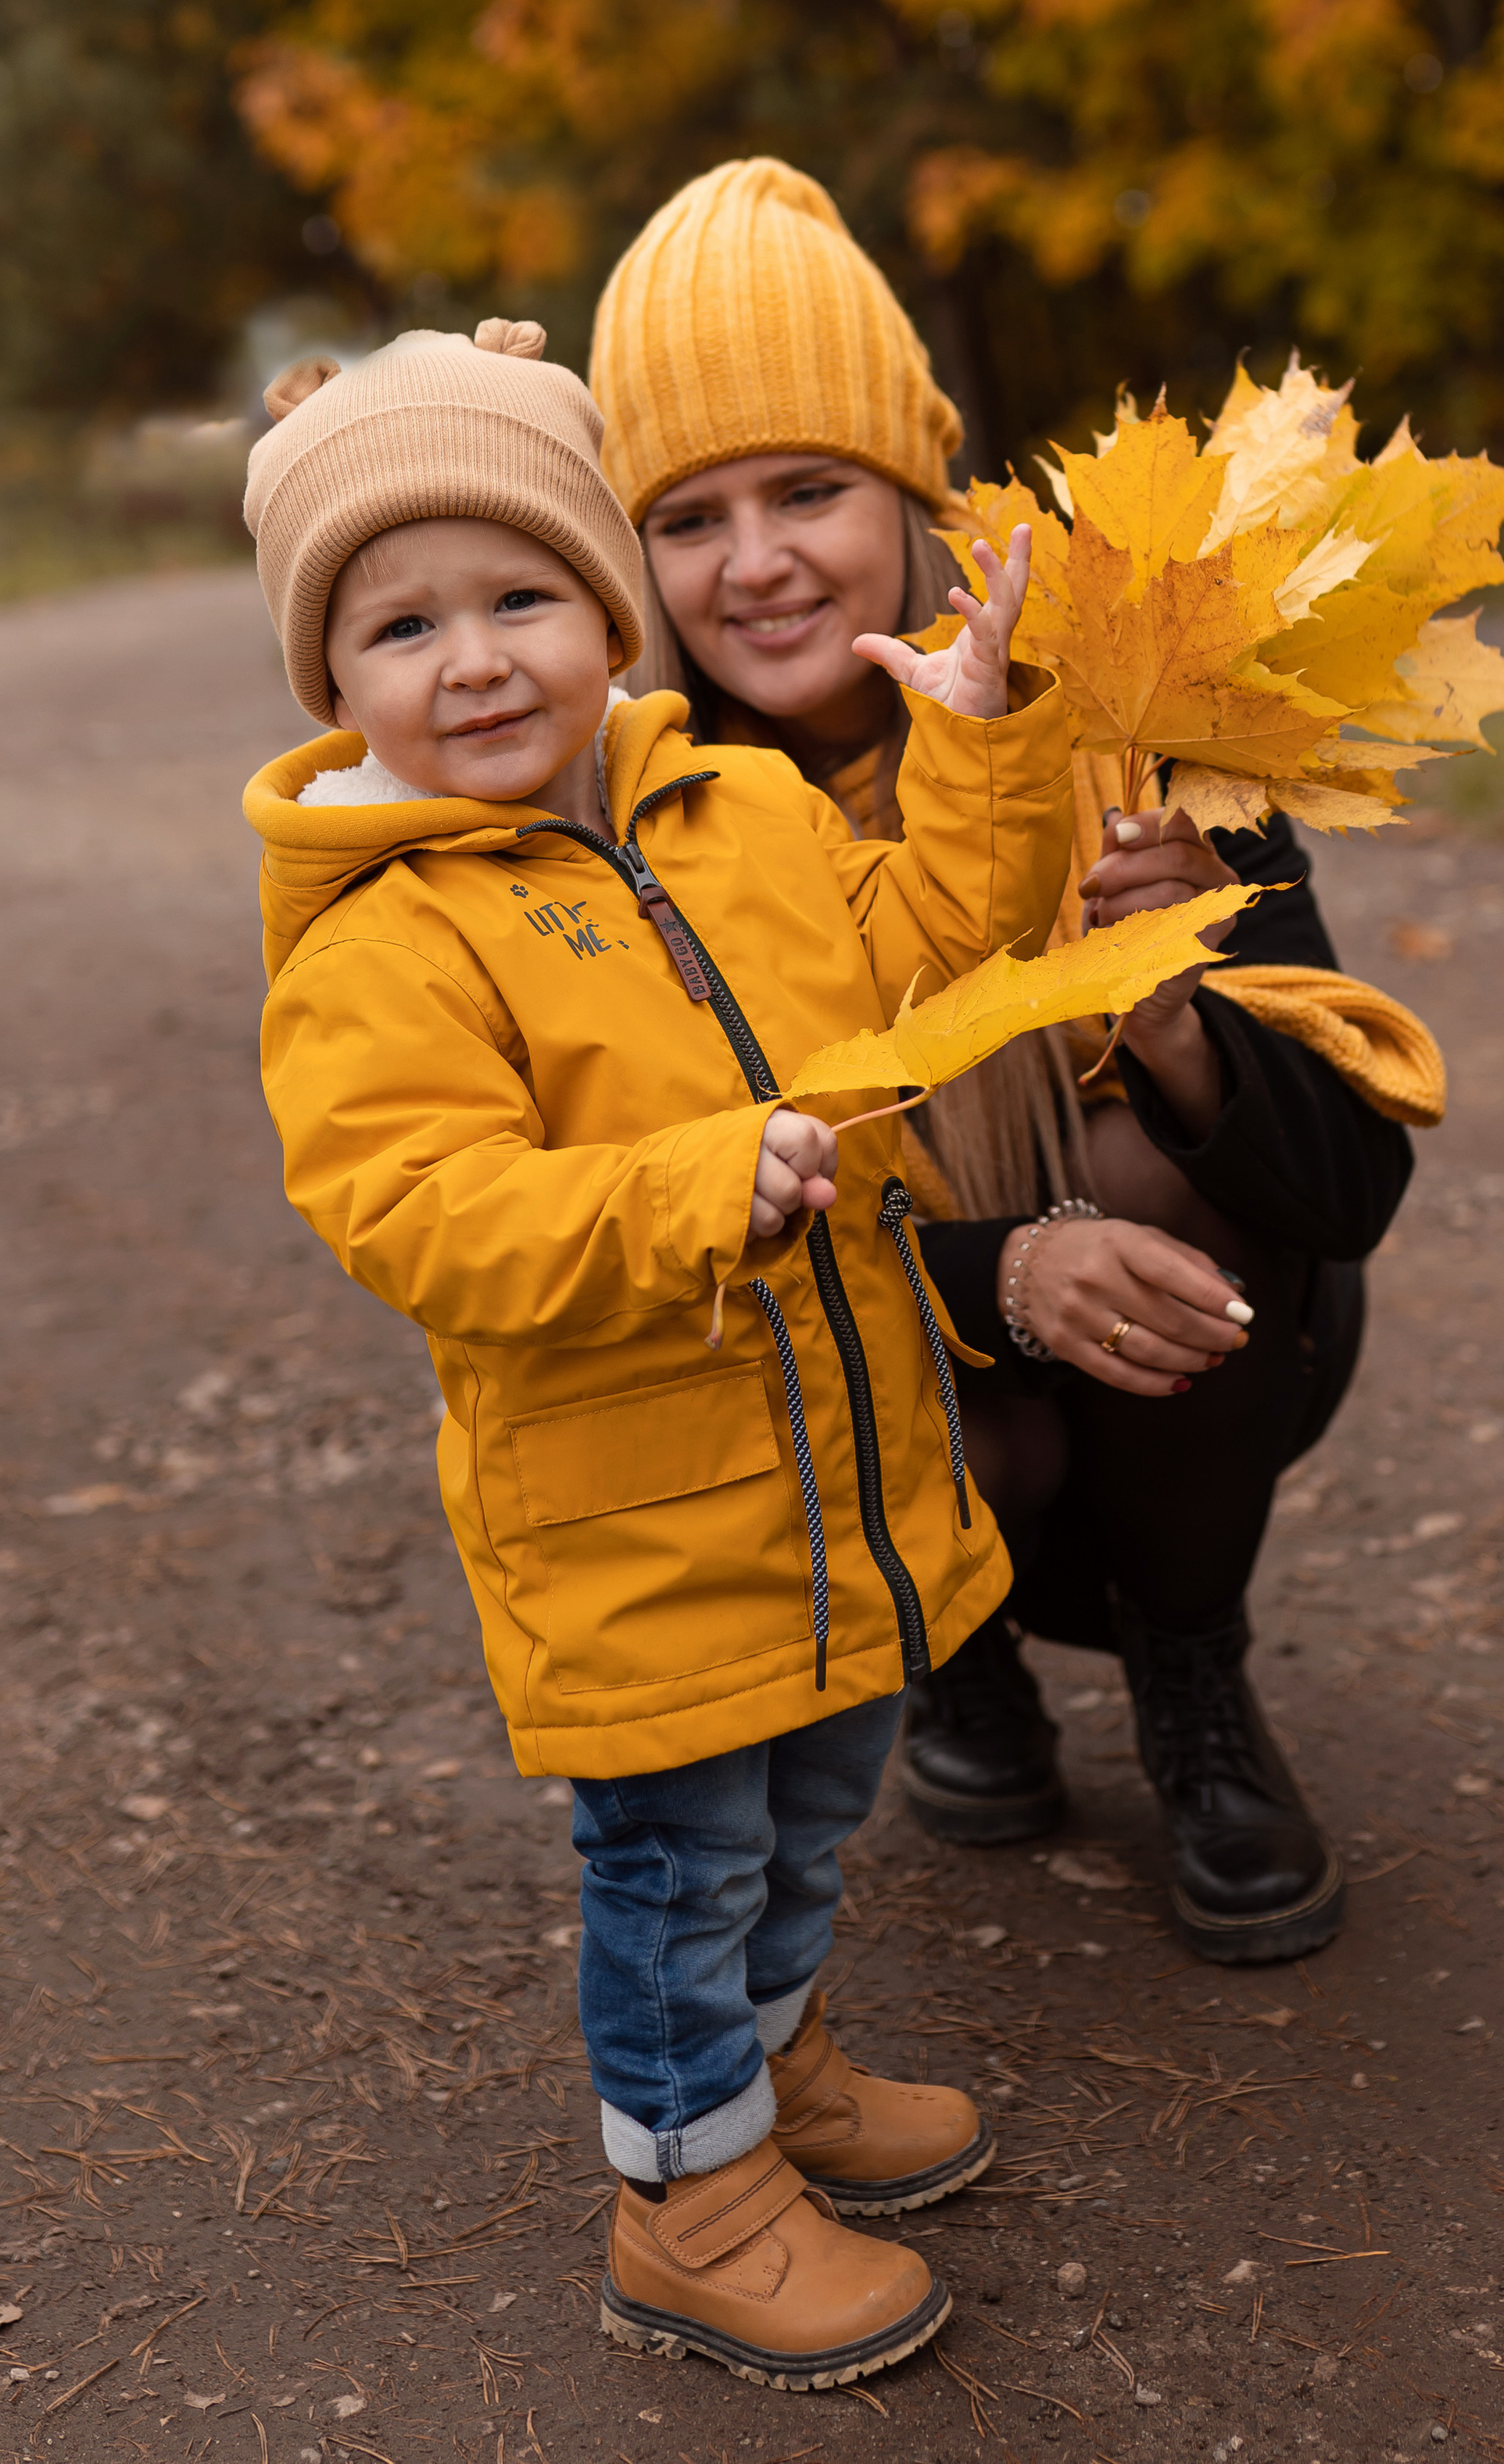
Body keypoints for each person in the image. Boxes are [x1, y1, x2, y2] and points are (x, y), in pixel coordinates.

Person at [240, 316, 1090, 2390]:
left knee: (812, 1814)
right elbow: (422, 1216)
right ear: (332, 683)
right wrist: (696, 1186)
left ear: (608, 614)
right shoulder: (384, 942)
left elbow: (926, 950)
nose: (474, 663)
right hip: (635, 1530)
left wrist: (980, 752)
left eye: (520, 598)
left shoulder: (738, 808)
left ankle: (776, 2069)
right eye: (401, 627)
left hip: (832, 1484)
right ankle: (689, 2203)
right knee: (678, 1865)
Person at [590, 159, 1442, 1969]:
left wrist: (1177, 1018)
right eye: (688, 516)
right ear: (631, 558)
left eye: (807, 490)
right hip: (864, 1382)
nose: (754, 564)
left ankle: (1190, 1674)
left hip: (1188, 1372)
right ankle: (955, 1657)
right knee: (875, 1306)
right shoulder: (634, 824)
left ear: (912, 493)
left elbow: (1348, 1192)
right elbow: (678, 1249)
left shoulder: (1130, 713)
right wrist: (1000, 1275)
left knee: (1148, 1172)